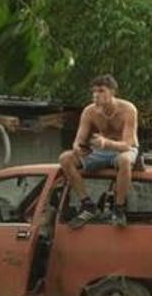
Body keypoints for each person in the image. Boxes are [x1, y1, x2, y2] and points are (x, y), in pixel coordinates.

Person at [58, 74, 139, 227]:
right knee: (65, 158)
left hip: (122, 150)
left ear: (112, 92)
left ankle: (119, 208)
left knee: (125, 160)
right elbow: (78, 140)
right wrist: (78, 148)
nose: (96, 95)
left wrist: (106, 142)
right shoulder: (89, 111)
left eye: (101, 91)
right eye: (94, 91)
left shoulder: (128, 109)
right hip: (101, 150)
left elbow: (128, 145)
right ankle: (87, 204)